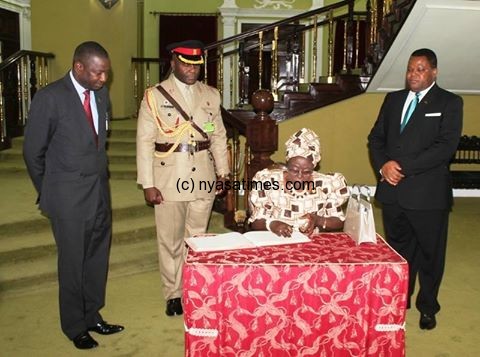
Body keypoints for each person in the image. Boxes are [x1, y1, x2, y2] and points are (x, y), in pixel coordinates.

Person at [23, 41, 124, 349]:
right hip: (66, 196)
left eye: (106, 72)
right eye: (97, 72)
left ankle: (93, 315)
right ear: (79, 67)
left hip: (98, 191)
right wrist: (50, 191)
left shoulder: (101, 94)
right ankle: (74, 325)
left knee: (96, 257)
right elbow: (32, 153)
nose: (103, 79)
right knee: (72, 262)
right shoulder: (50, 97)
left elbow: (98, 142)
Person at [368, 48, 463, 330]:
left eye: (420, 69)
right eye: (410, 69)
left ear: (434, 72)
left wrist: (401, 167)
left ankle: (428, 306)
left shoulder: (449, 102)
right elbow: (375, 138)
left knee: (430, 255)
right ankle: (400, 300)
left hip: (428, 195)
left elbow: (444, 149)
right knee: (398, 252)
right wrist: (384, 165)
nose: (413, 74)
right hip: (393, 192)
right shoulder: (393, 99)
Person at [136, 40, 230, 317]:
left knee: (198, 238)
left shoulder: (211, 94)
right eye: (185, 63)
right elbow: (144, 141)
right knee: (171, 241)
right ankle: (173, 293)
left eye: (196, 65)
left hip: (202, 175)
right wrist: (148, 183)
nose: (191, 69)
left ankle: (195, 288)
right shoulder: (154, 96)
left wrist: (223, 173)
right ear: (173, 62)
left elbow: (218, 136)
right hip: (168, 177)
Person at [249, 128, 349, 237]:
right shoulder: (269, 182)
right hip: (277, 243)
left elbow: (338, 221)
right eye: (294, 170)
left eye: (306, 172)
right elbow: (256, 222)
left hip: (313, 245)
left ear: (314, 167)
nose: (300, 176)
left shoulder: (327, 185)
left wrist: (317, 220)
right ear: (287, 165)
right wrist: (272, 224)